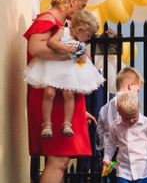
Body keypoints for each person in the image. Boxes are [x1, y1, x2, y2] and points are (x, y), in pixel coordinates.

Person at [24, 0, 96, 183]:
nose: (82, 9)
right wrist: (71, 54)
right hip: (50, 98)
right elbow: (35, 49)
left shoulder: (64, 25)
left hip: (63, 96)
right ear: (71, 1)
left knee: (62, 161)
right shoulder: (48, 19)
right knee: (56, 160)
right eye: (82, 4)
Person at [24, 9, 103, 139]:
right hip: (53, 68)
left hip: (68, 73)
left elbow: (82, 59)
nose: (89, 39)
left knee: (69, 93)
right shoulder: (62, 31)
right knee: (49, 92)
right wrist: (67, 49)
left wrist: (81, 55)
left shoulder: (81, 44)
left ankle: (67, 123)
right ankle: (47, 124)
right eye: (88, 35)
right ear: (80, 29)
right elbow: (51, 42)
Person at [96, 66, 147, 183]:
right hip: (124, 152)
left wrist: (102, 153)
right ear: (130, 85)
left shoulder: (105, 107)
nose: (137, 94)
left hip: (109, 154)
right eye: (137, 90)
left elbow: (100, 131)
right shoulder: (125, 105)